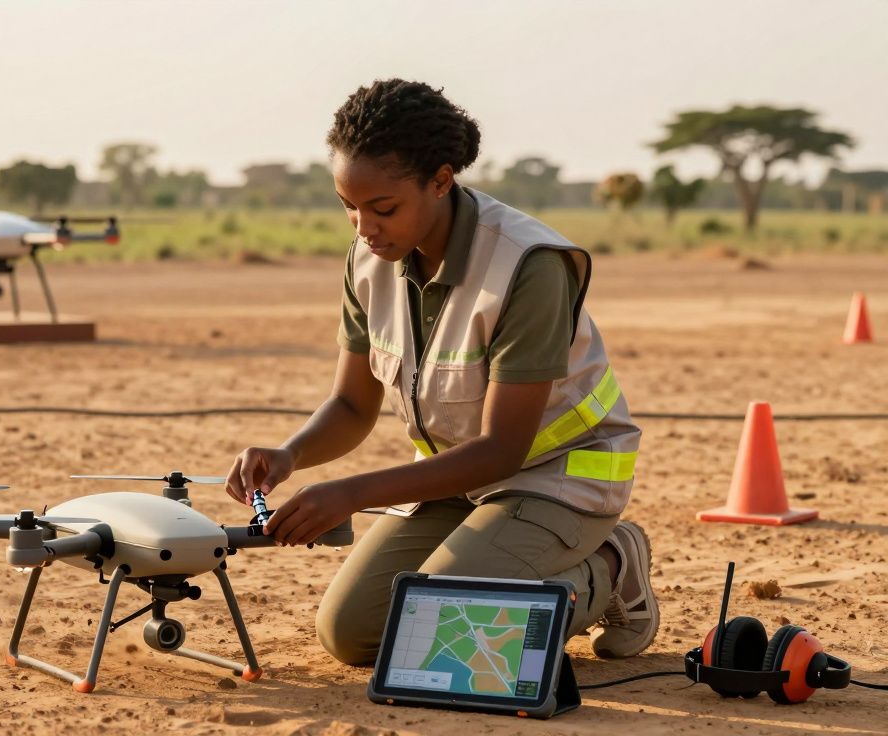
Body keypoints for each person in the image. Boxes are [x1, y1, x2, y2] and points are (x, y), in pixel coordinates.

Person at [224, 79, 657, 666]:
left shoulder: (528, 266)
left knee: (439, 632)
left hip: (559, 481)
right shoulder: (369, 260)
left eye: (382, 209)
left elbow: (503, 450)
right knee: (352, 636)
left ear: (441, 180)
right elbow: (352, 406)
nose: (362, 228)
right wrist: (289, 455)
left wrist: (352, 492)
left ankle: (612, 565)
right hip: (457, 481)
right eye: (347, 206)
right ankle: (524, 571)